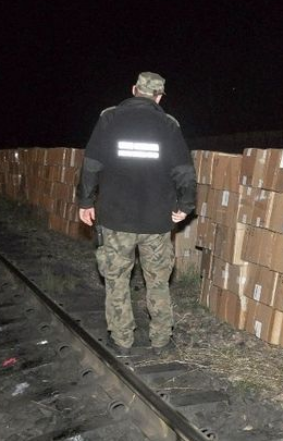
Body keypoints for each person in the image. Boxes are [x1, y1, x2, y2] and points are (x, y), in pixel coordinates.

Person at [76, 71, 197, 355]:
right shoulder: (168, 125)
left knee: (117, 279)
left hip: (116, 218)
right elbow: (184, 172)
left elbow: (91, 164)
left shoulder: (109, 119)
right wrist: (185, 206)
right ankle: (161, 340)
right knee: (157, 282)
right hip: (156, 221)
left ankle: (122, 341)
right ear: (159, 97)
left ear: (133, 90)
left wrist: (85, 202)